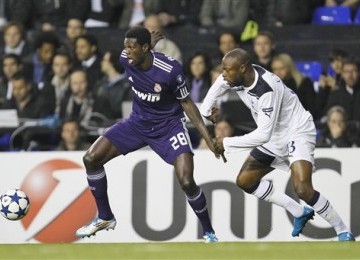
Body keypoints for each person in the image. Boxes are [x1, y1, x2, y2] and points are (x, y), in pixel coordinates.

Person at [75, 27, 220, 243]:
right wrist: (144, 45)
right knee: (91, 159)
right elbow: (139, 52)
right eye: (126, 46)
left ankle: (209, 232)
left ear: (145, 48)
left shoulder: (170, 70)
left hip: (168, 127)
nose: (126, 51)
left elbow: (187, 103)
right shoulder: (126, 58)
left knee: (187, 181)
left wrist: (208, 139)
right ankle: (105, 217)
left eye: (132, 47)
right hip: (137, 123)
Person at [200, 48, 355, 241]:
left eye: (227, 70)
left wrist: (227, 143)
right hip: (274, 136)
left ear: (242, 68)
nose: (223, 74)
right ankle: (298, 212)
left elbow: (263, 134)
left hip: (296, 131)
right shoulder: (237, 76)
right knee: (245, 181)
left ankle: (343, 231)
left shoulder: (266, 89)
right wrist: (206, 108)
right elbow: (219, 84)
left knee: (302, 189)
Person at [271, 53, 317, 120]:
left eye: (281, 68)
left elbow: (312, 109)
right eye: (275, 69)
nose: (278, 72)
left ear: (289, 68)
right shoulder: (272, 86)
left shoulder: (304, 82)